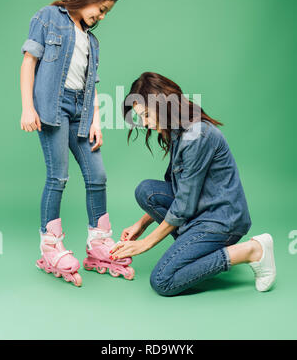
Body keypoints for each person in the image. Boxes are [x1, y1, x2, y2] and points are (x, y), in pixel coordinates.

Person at [110, 72, 277, 296]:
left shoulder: (197, 136)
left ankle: (252, 250)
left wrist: (145, 244)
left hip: (222, 220)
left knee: (162, 280)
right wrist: (141, 224)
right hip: (200, 210)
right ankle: (194, 247)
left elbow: (183, 206)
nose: (146, 124)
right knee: (146, 191)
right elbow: (177, 188)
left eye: (147, 115)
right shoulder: (178, 131)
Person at [20, 0, 134, 287]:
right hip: (51, 109)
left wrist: (96, 120)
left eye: (107, 12)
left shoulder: (91, 41)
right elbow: (29, 62)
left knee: (98, 176)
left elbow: (91, 85)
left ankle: (99, 243)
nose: (102, 16)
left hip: (80, 112)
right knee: (58, 177)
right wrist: (27, 107)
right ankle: (51, 245)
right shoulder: (48, 17)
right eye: (102, 8)